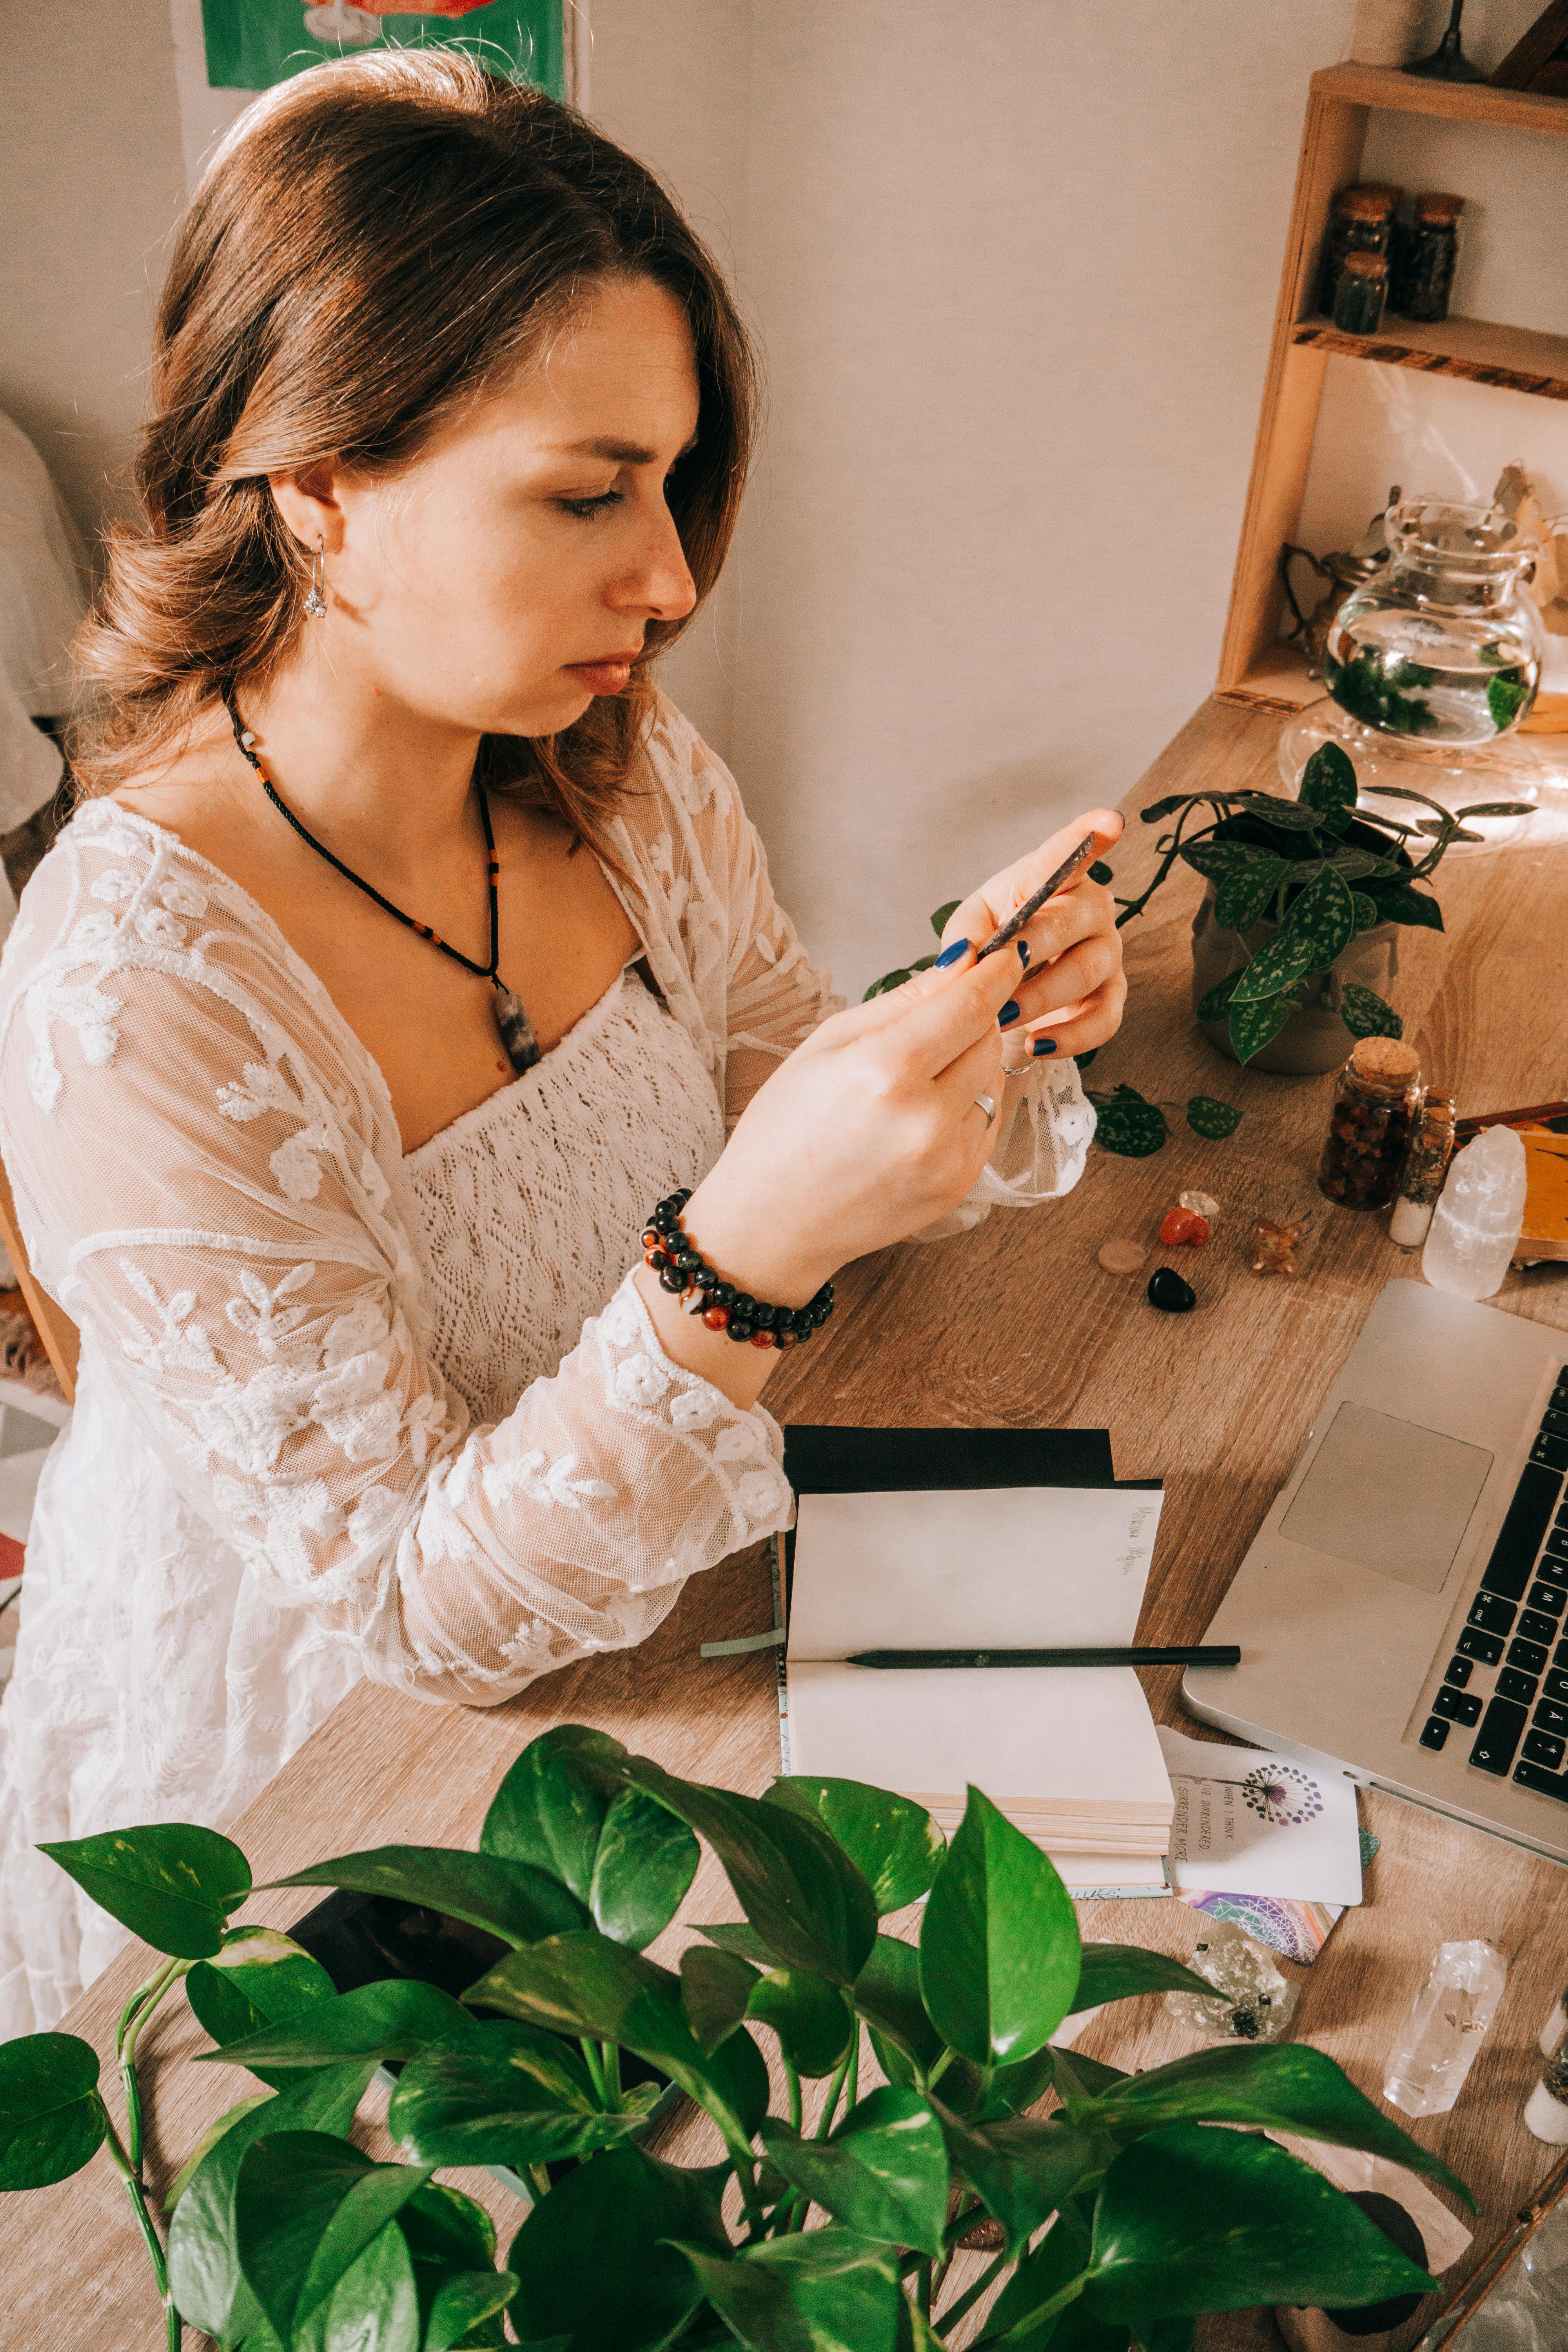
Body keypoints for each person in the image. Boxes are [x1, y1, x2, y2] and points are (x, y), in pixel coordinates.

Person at [0, 52, 1125, 2035]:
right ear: (317, 481)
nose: (673, 578)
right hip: (342, 1784)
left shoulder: (611, 767)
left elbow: (770, 1057)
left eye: (675, 485)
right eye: (587, 494)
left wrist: (965, 1026)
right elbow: (422, 1622)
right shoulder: (142, 976)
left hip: (658, 1616)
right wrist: (740, 1262)